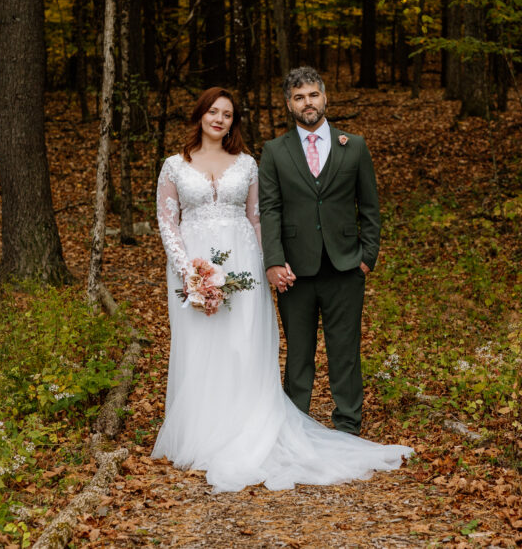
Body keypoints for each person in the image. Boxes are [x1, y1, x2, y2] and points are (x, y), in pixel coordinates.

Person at [152, 86, 412, 493]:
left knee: (243, 345)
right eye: (213, 112)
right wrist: (189, 272)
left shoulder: (248, 164)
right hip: (192, 268)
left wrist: (269, 263)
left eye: (227, 114)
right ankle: (205, 431)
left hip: (245, 267)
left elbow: (260, 218)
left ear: (234, 121)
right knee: (202, 346)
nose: (219, 119)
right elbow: (167, 222)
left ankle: (250, 426)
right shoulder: (173, 165)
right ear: (199, 115)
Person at [258, 66, 377, 435]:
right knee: (298, 354)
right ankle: (297, 427)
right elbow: (270, 209)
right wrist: (274, 261)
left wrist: (366, 258)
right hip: (295, 270)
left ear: (325, 98)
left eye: (312, 95)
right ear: (288, 105)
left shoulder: (353, 145)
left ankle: (348, 426)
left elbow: (370, 207)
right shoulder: (275, 151)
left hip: (345, 266)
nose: (307, 103)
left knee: (345, 351)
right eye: (298, 97)